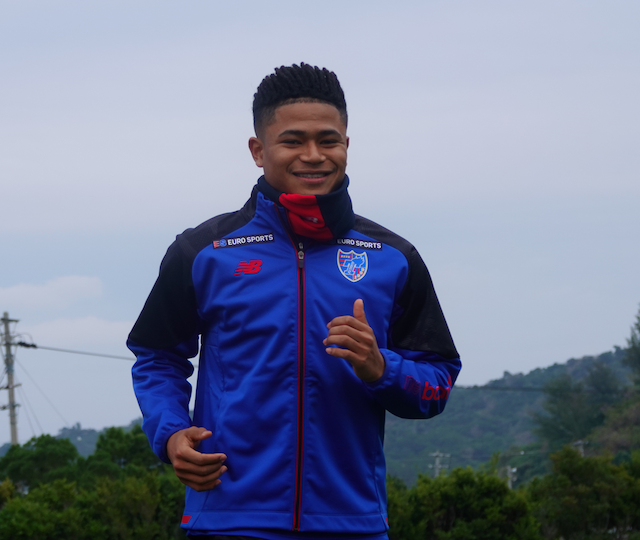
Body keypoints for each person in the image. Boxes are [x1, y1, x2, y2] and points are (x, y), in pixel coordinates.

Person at [128, 63, 462, 539]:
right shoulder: (203, 252)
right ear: (258, 150)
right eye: (293, 141)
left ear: (347, 144)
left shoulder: (393, 258)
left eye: (328, 140)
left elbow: (437, 383)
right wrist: (171, 433)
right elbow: (157, 357)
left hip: (352, 524)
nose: (313, 156)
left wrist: (380, 368)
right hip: (229, 520)